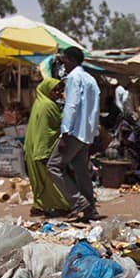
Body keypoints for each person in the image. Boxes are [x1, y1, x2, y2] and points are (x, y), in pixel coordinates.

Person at [47, 46, 100, 221]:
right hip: (86, 133)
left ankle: (79, 202)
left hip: (74, 132)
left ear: (72, 60)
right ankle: (90, 209)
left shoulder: (74, 78)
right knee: (81, 171)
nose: (63, 65)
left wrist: (65, 133)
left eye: (65, 61)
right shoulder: (90, 79)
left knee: (53, 166)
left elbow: (71, 105)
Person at [24, 77, 71, 216]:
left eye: (59, 90)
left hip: (33, 146)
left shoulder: (41, 103)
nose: (57, 93)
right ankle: (61, 206)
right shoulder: (48, 106)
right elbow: (46, 131)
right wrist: (44, 152)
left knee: (40, 180)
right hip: (41, 148)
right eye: (54, 90)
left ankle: (40, 205)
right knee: (49, 181)